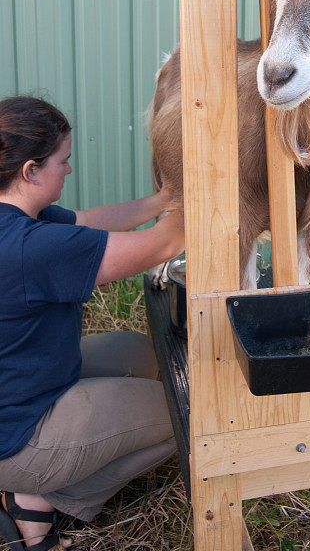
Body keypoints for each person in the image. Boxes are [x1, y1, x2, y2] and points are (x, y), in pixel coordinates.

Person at [0, 95, 185, 551]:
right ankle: (46, 498)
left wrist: (164, 198)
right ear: (29, 170)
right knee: (187, 414)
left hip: (24, 382)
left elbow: (89, 224)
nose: (68, 170)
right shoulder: (28, 247)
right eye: (63, 161)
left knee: (142, 353)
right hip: (20, 435)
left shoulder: (19, 217)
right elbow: (163, 246)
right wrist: (220, 189)